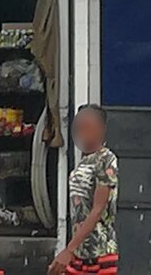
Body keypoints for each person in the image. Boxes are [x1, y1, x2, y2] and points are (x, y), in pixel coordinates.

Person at [49, 105, 119, 275]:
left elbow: (97, 209)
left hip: (99, 251)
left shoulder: (106, 159)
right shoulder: (85, 160)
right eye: (79, 128)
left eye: (88, 128)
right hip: (80, 252)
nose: (83, 133)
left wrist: (69, 250)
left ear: (102, 130)